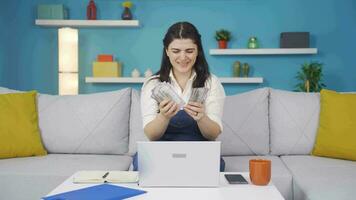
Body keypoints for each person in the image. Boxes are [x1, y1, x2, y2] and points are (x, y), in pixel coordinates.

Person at [133, 21, 226, 171]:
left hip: (200, 151)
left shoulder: (211, 82)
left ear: (198, 51)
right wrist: (163, 117)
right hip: (162, 151)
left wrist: (202, 117)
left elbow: (212, 135)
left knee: (215, 165)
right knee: (142, 164)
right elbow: (151, 135)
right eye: (176, 51)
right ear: (167, 51)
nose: (183, 57)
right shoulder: (153, 83)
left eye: (189, 51)